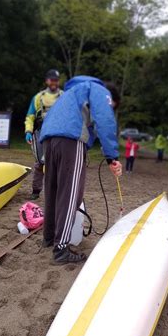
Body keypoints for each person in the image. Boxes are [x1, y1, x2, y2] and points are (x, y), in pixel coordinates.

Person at [40, 76, 122, 264]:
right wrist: (112, 157)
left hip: (49, 139)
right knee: (70, 194)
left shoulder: (71, 92)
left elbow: (85, 125)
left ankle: (49, 237)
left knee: (52, 190)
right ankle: (61, 249)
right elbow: (105, 120)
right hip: (71, 139)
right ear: (113, 99)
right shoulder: (100, 91)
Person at [25, 69, 63, 200]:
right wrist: (28, 131)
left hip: (59, 134)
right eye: (51, 80)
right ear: (47, 81)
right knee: (39, 164)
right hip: (41, 133)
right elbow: (30, 116)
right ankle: (36, 190)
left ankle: (57, 191)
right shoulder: (38, 97)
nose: (54, 82)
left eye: (56, 80)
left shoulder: (64, 96)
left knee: (58, 164)